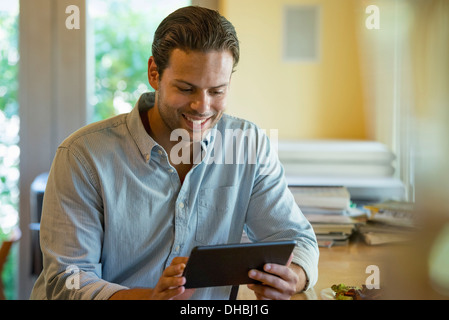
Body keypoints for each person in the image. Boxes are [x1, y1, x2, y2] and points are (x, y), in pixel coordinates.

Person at [30, 6, 318, 300]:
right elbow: (67, 282)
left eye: (217, 91)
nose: (202, 107)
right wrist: (150, 298)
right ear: (154, 73)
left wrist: (292, 276)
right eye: (186, 89)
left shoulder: (247, 144)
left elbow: (298, 241)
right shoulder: (83, 156)